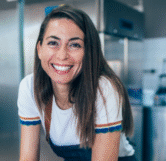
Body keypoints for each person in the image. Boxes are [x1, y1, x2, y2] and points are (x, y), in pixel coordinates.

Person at [17, 5, 136, 161]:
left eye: (75, 45)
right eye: (53, 43)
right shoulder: (30, 87)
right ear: (39, 49)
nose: (62, 55)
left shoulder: (103, 89)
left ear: (88, 52)